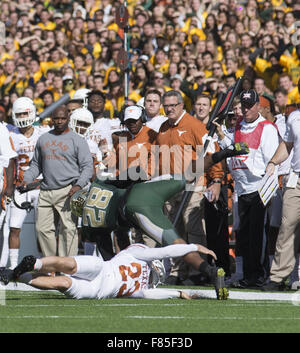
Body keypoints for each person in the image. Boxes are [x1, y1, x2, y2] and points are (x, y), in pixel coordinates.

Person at [155, 90, 224, 285]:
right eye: (166, 106)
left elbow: (212, 153)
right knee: (173, 230)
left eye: (172, 105)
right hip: (169, 187)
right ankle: (178, 270)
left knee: (193, 229)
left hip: (193, 186)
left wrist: (216, 180)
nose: (168, 109)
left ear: (181, 106)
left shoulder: (195, 126)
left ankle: (198, 270)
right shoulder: (162, 127)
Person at [1, 242, 218, 300]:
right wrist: (195, 247)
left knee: (63, 283)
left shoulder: (143, 288)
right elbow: (166, 250)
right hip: (103, 271)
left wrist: (178, 294)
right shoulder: (137, 255)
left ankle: (17, 274)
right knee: (68, 265)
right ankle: (34, 264)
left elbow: (148, 294)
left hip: (99, 290)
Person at [218, 89, 280, 289]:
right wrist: (222, 137)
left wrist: (269, 190)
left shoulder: (266, 128)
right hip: (241, 188)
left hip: (258, 187)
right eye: (243, 106)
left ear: (257, 106)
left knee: (258, 235)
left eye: (249, 106)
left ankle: (259, 275)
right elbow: (235, 150)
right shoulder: (238, 126)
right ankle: (247, 275)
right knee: (244, 234)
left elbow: (272, 160)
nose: (245, 110)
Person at [20, 105, 94, 258]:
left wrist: (78, 185)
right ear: (51, 119)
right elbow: (36, 164)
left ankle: (66, 267)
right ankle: (52, 264)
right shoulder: (43, 139)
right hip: (46, 190)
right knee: (42, 229)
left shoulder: (77, 140)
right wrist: (27, 179)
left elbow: (88, 167)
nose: (59, 121)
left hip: (68, 190)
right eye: (56, 118)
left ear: (68, 119)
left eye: (63, 118)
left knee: (68, 229)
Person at [262, 104, 300, 291]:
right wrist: (273, 161)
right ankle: (277, 277)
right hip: (296, 177)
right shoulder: (294, 117)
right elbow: (287, 144)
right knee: (287, 224)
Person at [7, 97, 45, 269]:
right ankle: (14, 267)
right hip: (19, 187)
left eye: (25, 113)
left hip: (39, 185)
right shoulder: (10, 134)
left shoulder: (43, 132)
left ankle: (45, 266)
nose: (22, 117)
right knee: (14, 228)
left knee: (43, 230)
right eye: (19, 113)